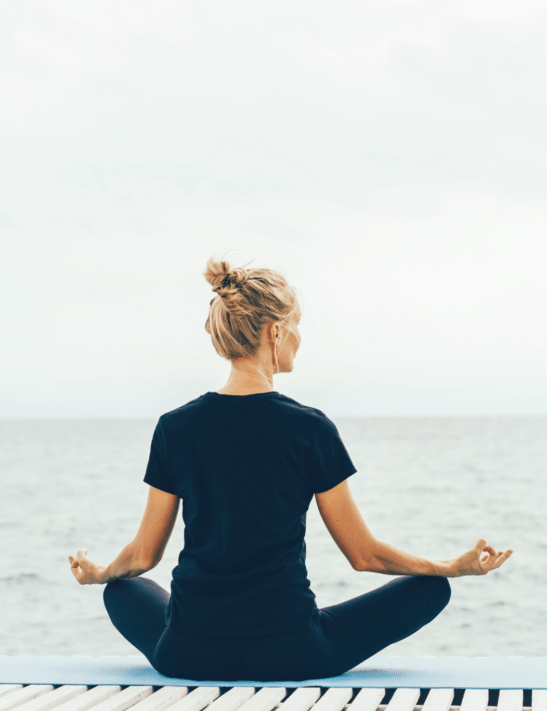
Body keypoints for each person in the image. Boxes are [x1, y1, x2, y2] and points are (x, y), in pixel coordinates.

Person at [68, 254, 514, 682]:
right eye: (298, 325)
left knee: (121, 589)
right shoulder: (310, 428)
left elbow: (144, 556)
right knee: (431, 588)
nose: (301, 336)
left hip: (187, 651)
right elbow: (364, 556)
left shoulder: (174, 428)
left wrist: (99, 573)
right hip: (293, 652)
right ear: (276, 332)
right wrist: (451, 567)